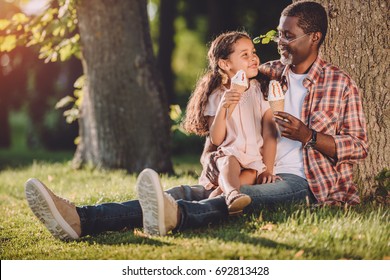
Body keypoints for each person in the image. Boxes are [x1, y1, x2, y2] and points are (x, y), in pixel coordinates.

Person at [24, 1, 368, 240]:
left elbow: (359, 146)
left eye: (288, 36)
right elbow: (227, 81)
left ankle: (179, 217)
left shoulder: (341, 85)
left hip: (302, 182)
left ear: (315, 38)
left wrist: (309, 135)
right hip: (247, 165)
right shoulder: (265, 72)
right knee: (182, 190)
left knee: (238, 198)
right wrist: (215, 155)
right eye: (279, 34)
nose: (279, 43)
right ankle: (82, 218)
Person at [182, 31, 279, 215]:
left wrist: (268, 169)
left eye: (253, 52)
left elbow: (270, 134)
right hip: (227, 157)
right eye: (245, 55)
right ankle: (233, 194)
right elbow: (216, 139)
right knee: (229, 162)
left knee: (246, 177)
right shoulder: (217, 95)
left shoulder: (260, 91)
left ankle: (211, 203)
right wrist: (225, 106)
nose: (253, 58)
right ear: (225, 64)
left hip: (253, 162)